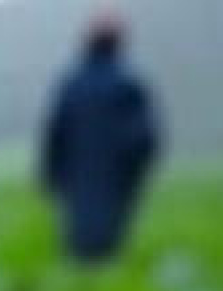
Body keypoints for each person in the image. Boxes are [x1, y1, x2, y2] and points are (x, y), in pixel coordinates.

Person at [40, 10, 162, 263]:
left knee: (80, 247)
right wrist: (137, 170)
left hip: (78, 181)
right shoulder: (129, 83)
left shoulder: (72, 83)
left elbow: (54, 134)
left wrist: (51, 174)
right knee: (111, 249)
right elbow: (146, 137)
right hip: (116, 180)